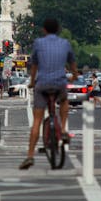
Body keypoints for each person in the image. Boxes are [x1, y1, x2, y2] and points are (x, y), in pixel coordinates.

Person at [18, 18, 78, 172]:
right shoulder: (65, 43)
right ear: (58, 29)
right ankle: (63, 129)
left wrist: (32, 82)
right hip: (59, 83)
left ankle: (30, 155)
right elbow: (72, 63)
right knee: (64, 101)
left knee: (37, 120)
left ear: (44, 30)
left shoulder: (38, 43)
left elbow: (34, 65)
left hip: (42, 83)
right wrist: (75, 75)